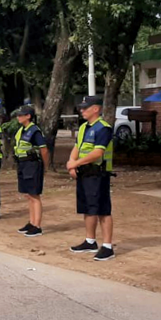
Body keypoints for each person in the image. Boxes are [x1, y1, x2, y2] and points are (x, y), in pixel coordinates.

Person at [67, 96, 115, 261]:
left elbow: (97, 153)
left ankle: (107, 246)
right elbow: (77, 147)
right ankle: (90, 241)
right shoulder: (83, 127)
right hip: (84, 174)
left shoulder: (103, 128)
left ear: (96, 109)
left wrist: (76, 163)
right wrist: (72, 163)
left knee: (102, 209)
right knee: (87, 207)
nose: (81, 110)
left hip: (98, 174)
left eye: (85, 108)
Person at [12, 105, 49, 237]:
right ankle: (32, 222)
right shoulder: (21, 130)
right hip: (23, 163)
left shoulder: (34, 131)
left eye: (21, 115)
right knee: (28, 195)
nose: (18, 117)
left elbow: (44, 149)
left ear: (28, 116)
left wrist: (46, 166)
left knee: (34, 195)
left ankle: (37, 226)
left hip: (33, 164)